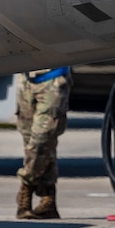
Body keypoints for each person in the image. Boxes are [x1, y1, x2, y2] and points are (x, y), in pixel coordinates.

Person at [15, 65, 72, 219]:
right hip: (26, 80)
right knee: (33, 142)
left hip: (52, 79)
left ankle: (26, 187)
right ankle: (48, 198)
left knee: (41, 140)